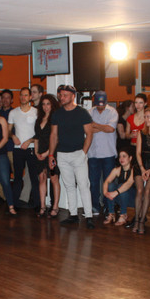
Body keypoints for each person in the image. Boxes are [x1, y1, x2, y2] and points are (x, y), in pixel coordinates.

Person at [48, 84, 95, 229]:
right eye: (60, 95)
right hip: (62, 154)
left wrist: (83, 153)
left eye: (65, 95)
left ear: (73, 96)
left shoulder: (82, 113)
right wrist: (51, 155)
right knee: (69, 186)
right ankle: (73, 215)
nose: (62, 98)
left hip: (78, 153)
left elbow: (89, 134)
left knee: (83, 185)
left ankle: (89, 216)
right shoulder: (57, 114)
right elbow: (53, 135)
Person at [87, 91, 118, 217]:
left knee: (108, 182)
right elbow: (88, 129)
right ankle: (94, 205)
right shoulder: (89, 112)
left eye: (102, 104)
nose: (101, 106)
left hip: (108, 153)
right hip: (93, 153)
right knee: (93, 182)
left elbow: (111, 129)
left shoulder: (112, 112)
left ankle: (108, 206)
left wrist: (95, 125)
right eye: (98, 104)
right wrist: (103, 127)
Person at [8, 87, 40, 211]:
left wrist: (30, 141)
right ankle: (15, 204)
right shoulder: (13, 113)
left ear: (30, 97)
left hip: (31, 148)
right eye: (21, 95)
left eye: (26, 95)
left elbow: (40, 132)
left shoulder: (36, 112)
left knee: (34, 177)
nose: (23, 97)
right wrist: (13, 136)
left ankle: (37, 204)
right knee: (17, 177)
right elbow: (8, 131)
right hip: (18, 149)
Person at [35, 94, 61, 218]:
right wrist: (36, 152)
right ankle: (42, 206)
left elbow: (56, 138)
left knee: (54, 178)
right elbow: (36, 138)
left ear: (52, 105)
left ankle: (55, 206)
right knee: (42, 179)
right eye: (43, 104)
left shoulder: (55, 119)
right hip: (40, 153)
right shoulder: (39, 119)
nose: (45, 107)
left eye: (48, 104)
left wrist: (47, 153)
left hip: (52, 153)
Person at [102, 149, 137, 225]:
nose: (121, 159)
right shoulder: (117, 170)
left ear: (130, 158)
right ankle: (111, 213)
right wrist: (105, 193)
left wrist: (115, 192)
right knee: (110, 185)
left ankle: (123, 214)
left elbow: (129, 183)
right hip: (121, 198)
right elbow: (106, 182)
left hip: (133, 199)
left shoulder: (134, 169)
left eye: (124, 156)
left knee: (121, 186)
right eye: (120, 156)